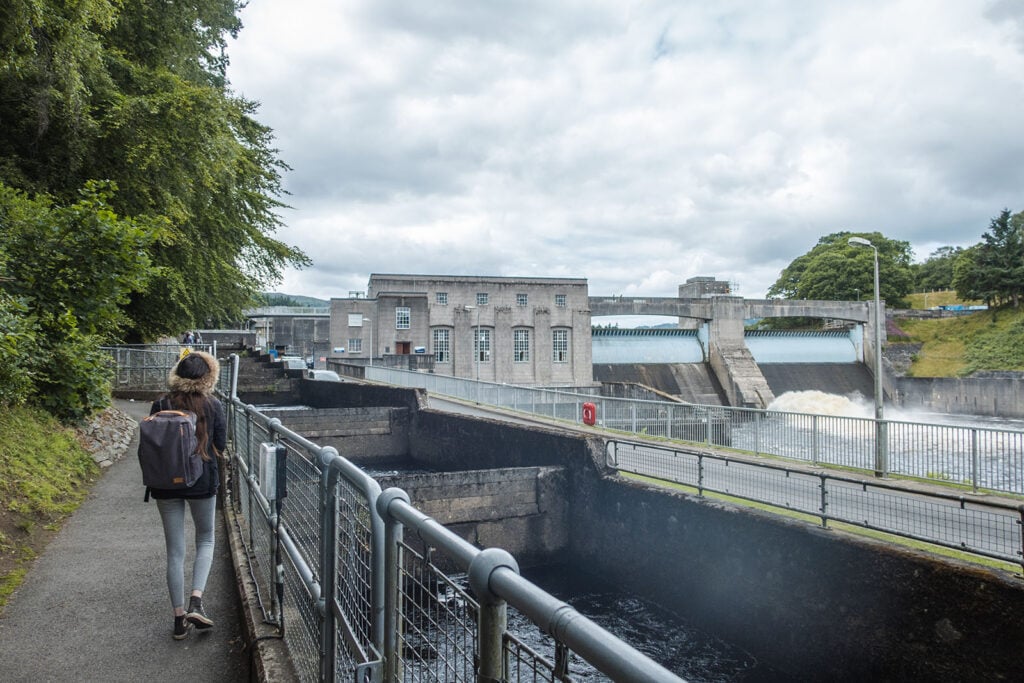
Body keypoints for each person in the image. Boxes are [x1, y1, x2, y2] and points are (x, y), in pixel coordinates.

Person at [148, 350, 226, 640]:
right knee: (205, 538)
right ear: (209, 377)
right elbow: (221, 443)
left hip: (165, 483)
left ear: (177, 375)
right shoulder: (214, 405)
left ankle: (179, 619)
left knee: (175, 551)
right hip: (202, 480)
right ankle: (197, 600)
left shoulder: (160, 403)